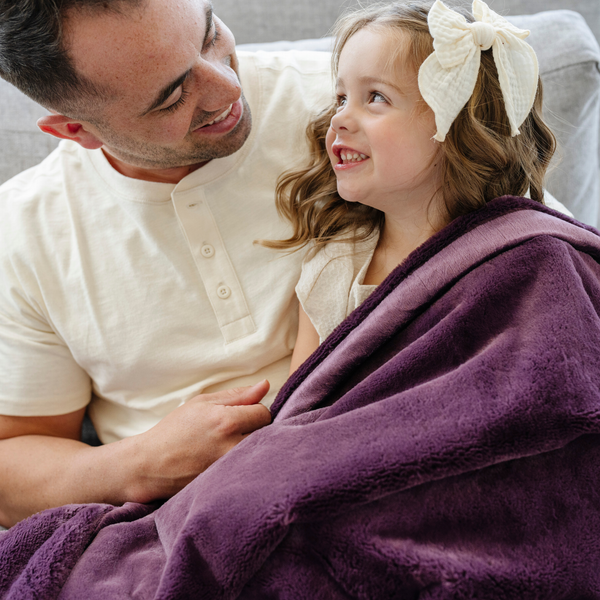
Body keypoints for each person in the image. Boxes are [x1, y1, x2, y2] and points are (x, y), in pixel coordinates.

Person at [0, 0, 332, 527]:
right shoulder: (23, 232)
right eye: (173, 97)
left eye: (209, 36)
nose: (227, 88)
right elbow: (12, 459)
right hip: (181, 523)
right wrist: (142, 464)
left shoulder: (357, 102)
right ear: (73, 130)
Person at [262, 0, 565, 373]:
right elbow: (299, 407)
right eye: (341, 98)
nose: (338, 118)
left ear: (456, 126)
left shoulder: (525, 250)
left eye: (376, 97)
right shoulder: (335, 267)